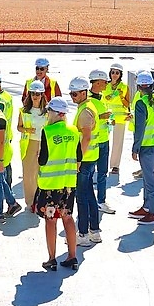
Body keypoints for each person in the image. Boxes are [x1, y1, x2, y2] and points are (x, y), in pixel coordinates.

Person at [34, 96, 80, 271]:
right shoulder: (74, 131)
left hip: (50, 185)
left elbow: (43, 159)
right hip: (68, 184)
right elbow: (79, 156)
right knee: (68, 218)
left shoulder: (48, 131)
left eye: (49, 112)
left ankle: (52, 259)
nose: (47, 115)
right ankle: (72, 256)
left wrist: (38, 156)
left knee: (51, 220)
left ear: (57, 113)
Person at [130, 70, 154, 224]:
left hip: (147, 147)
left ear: (139, 87)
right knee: (147, 177)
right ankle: (147, 208)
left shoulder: (141, 103)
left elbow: (139, 129)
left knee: (150, 180)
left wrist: (135, 148)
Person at [68, 77, 102, 245]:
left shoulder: (85, 111)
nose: (72, 97)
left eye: (75, 94)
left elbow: (86, 138)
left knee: (81, 198)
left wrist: (78, 160)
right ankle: (94, 232)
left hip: (85, 160)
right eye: (71, 94)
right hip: (91, 158)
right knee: (89, 195)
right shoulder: (88, 106)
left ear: (83, 93)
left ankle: (82, 235)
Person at [0, 72, 23, 221]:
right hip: (3, 145)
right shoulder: (6, 97)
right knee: (0, 180)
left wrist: (0, 160)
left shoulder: (0, 104)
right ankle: (12, 203)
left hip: (1, 147)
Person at [16, 80, 48, 209]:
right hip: (29, 144)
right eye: (33, 93)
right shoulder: (24, 111)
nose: (35, 96)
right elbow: (19, 127)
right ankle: (30, 202)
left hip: (44, 144)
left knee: (41, 173)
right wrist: (27, 130)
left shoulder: (47, 111)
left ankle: (41, 201)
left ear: (42, 95)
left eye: (38, 94)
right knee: (29, 174)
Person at [87, 68, 113, 215]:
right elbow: (84, 118)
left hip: (104, 139)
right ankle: (89, 200)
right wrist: (100, 117)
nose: (106, 84)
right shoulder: (87, 99)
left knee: (103, 172)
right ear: (97, 82)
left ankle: (101, 201)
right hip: (93, 142)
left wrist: (109, 121)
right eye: (104, 82)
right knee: (89, 173)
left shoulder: (102, 98)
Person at [103, 63, 133, 176]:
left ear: (120, 74)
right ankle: (101, 163)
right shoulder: (105, 85)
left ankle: (115, 165)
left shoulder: (124, 87)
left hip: (120, 118)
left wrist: (120, 96)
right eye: (113, 72)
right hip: (107, 116)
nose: (114, 75)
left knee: (117, 142)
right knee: (103, 140)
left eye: (117, 73)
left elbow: (127, 103)